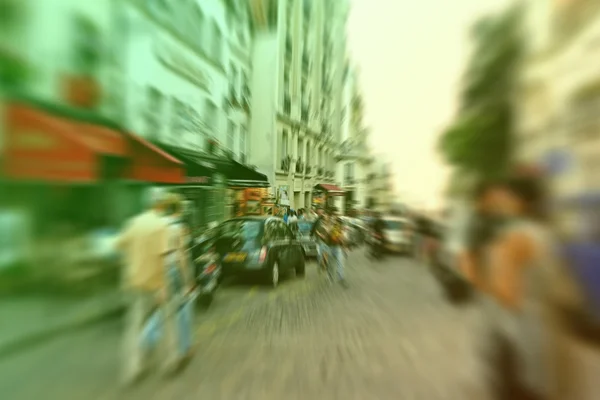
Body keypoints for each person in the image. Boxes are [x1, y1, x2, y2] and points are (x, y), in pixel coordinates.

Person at [482, 171, 583, 400]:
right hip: (552, 335)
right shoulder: (547, 235)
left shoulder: (513, 238)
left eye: (503, 197)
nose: (499, 203)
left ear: (516, 200)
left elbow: (505, 293)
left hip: (521, 338)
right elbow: (567, 294)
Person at [116, 187, 176, 385]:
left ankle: (133, 368)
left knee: (134, 327)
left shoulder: (132, 223)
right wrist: (163, 286)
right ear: (161, 204)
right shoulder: (161, 226)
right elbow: (163, 258)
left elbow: (119, 246)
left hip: (134, 282)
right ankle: (169, 360)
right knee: (167, 322)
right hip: (155, 283)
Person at [164, 193, 195, 364]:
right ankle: (185, 347)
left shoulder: (160, 225)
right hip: (175, 270)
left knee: (166, 312)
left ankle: (152, 342)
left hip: (161, 270)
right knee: (184, 308)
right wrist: (188, 279)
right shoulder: (178, 227)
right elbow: (183, 255)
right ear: (179, 209)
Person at [327, 209, 349, 287]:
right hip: (330, 247)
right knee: (330, 265)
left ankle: (341, 278)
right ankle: (330, 277)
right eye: (334, 215)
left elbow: (342, 237)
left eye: (336, 215)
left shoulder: (339, 225)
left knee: (340, 263)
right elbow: (329, 234)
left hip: (337, 247)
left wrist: (344, 247)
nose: (335, 217)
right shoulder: (329, 225)